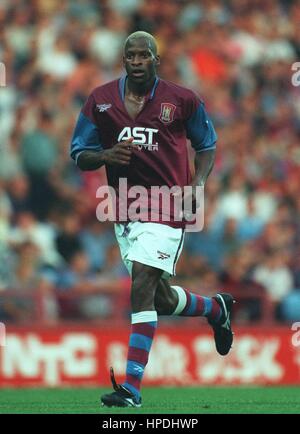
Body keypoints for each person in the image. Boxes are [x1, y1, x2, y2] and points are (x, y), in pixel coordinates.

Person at [70, 31, 234, 408]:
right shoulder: (101, 101)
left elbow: (206, 145)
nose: (138, 60)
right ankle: (215, 308)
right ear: (124, 59)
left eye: (145, 55)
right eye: (132, 55)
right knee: (156, 297)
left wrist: (197, 185)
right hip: (125, 211)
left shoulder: (182, 99)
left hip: (167, 206)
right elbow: (79, 154)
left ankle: (132, 388)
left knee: (142, 283)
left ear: (156, 60)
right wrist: (106, 156)